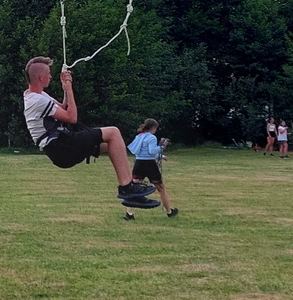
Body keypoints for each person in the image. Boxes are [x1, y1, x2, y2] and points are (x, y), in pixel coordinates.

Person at [23, 57, 160, 210]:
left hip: (60, 148)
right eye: (48, 73)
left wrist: (65, 88)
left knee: (111, 145)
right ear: (40, 77)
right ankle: (127, 188)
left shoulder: (37, 95)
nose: (50, 76)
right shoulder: (37, 100)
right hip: (60, 147)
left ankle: (132, 193)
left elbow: (64, 107)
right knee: (113, 132)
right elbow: (72, 118)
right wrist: (69, 90)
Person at [124, 118, 178, 221]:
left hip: (138, 164)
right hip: (149, 165)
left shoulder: (139, 136)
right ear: (153, 127)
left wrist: (161, 156)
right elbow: (152, 151)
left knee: (133, 189)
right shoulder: (152, 137)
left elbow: (143, 152)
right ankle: (169, 212)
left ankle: (129, 213)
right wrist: (162, 146)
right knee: (161, 189)